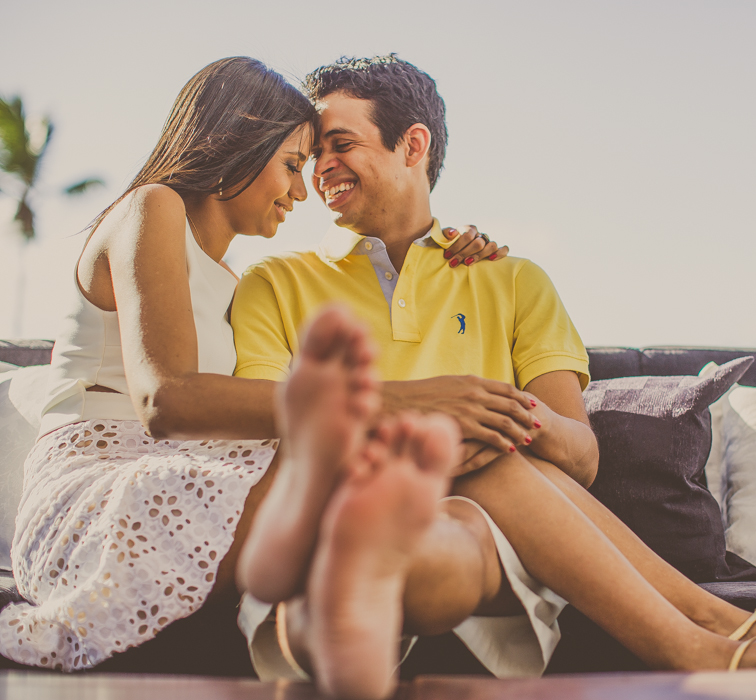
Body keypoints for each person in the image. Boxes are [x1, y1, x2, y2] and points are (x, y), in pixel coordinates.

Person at [230, 54, 756, 697]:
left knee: (492, 459)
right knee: (474, 460)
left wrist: (497, 415)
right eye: (312, 153)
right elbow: (269, 436)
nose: (319, 169)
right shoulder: (275, 284)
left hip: (463, 546)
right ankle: (721, 636)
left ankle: (719, 637)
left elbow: (579, 454)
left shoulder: (511, 279)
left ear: (413, 145)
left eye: (339, 144)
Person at [0, 56, 505, 689]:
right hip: (98, 493)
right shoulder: (151, 209)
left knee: (433, 461)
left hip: (181, 474)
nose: (302, 190)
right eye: (293, 164)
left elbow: (258, 403)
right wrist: (398, 400)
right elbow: (168, 399)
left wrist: (449, 247)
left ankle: (339, 608)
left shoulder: (236, 284)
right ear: (237, 139)